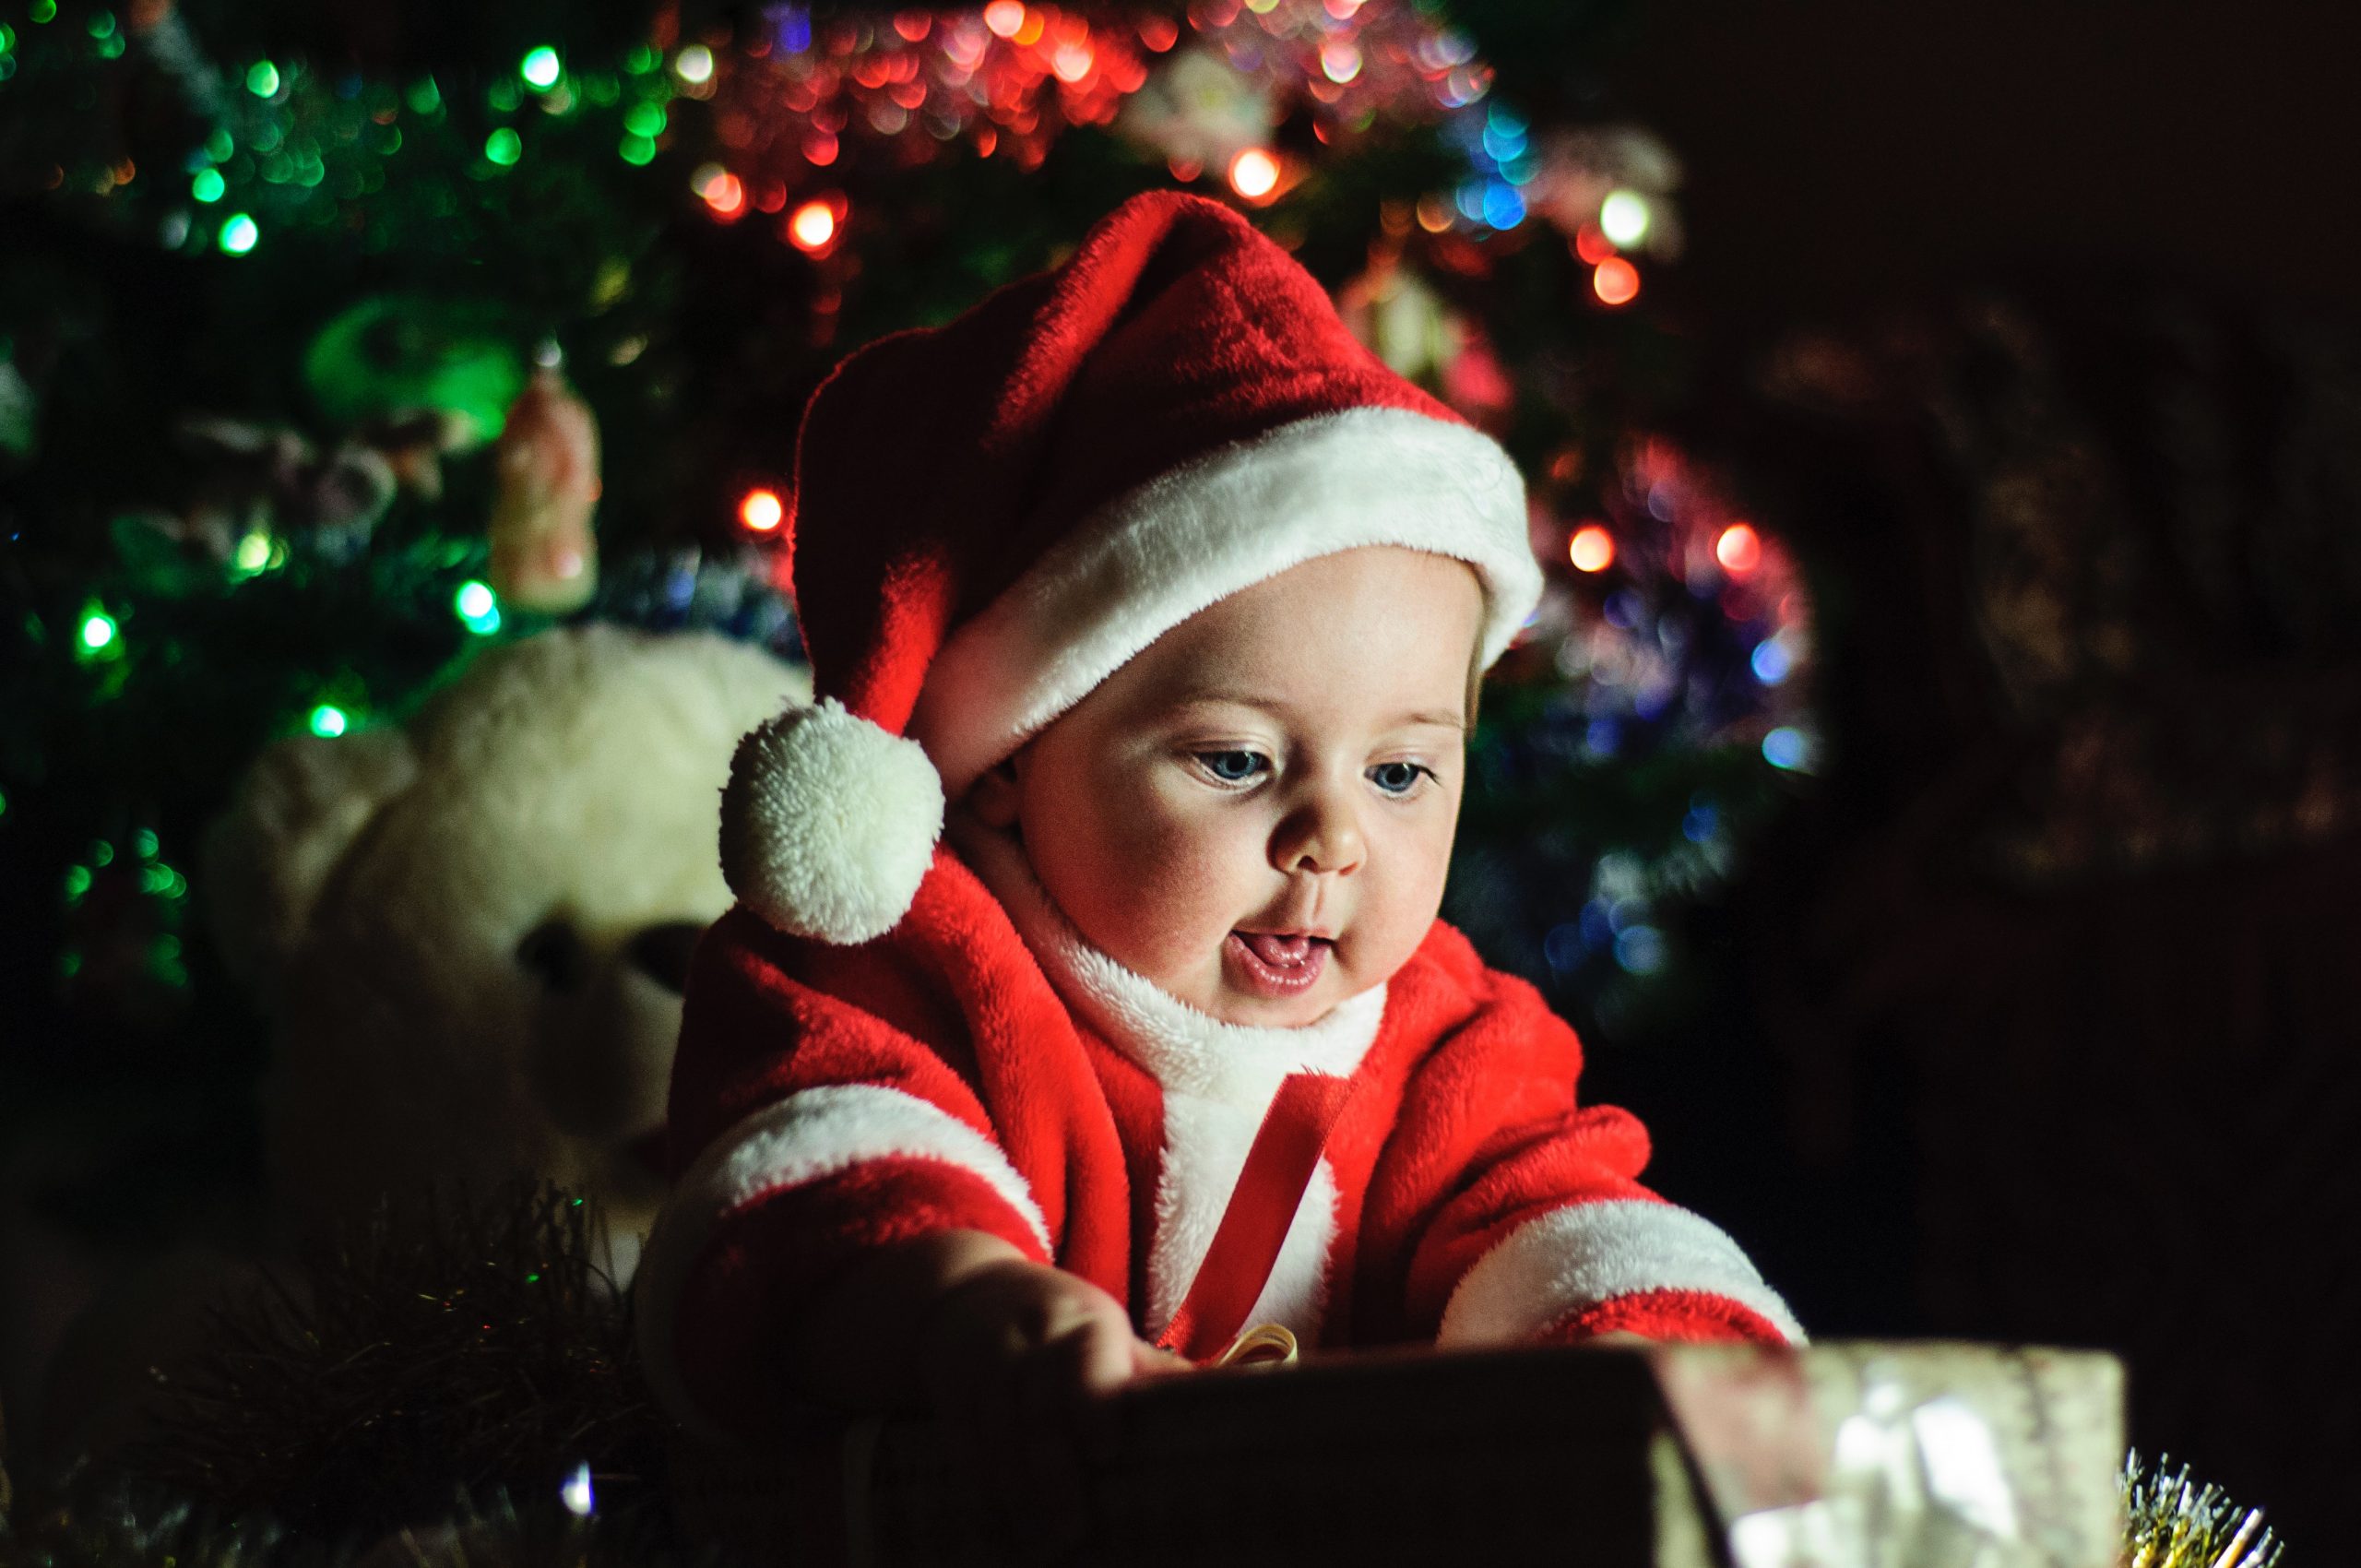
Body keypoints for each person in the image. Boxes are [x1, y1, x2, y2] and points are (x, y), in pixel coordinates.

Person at [635, 190, 1799, 1538]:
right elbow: (801, 1191)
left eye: (1402, 772)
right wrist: (959, 1305)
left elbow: (1555, 1211)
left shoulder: (1440, 1040)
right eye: (1237, 762)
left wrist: (1657, 1349)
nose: (1332, 840)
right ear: (1012, 756)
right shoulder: (915, 965)